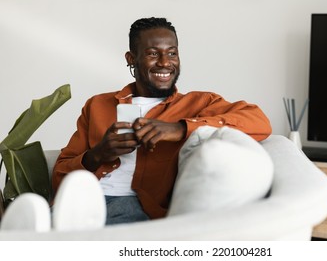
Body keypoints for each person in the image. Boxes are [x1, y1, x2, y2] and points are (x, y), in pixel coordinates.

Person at [52, 17, 272, 225]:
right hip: (81, 198)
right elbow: (60, 174)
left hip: (131, 205)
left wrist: (180, 128)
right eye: (153, 53)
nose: (165, 62)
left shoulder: (199, 103)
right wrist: (98, 154)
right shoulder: (98, 105)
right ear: (131, 59)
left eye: (172, 53)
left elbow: (258, 121)